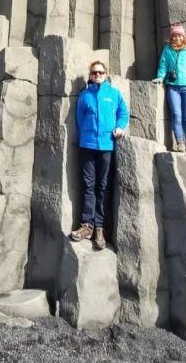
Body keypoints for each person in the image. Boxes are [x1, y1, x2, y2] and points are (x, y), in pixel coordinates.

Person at [70, 59, 129, 250]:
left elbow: (123, 112)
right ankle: (87, 225)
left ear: (106, 74)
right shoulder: (84, 95)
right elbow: (80, 119)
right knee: (88, 185)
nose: (97, 75)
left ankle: (99, 228)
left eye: (100, 72)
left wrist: (120, 126)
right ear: (90, 75)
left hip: (106, 146)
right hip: (87, 145)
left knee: (102, 187)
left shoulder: (114, 94)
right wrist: (86, 135)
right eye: (94, 73)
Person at [153, 23, 186, 153]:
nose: (177, 38)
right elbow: (163, 65)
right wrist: (160, 77)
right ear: (171, 37)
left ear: (183, 37)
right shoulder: (167, 50)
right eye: (175, 36)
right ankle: (180, 143)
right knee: (176, 115)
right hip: (173, 87)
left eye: (180, 35)